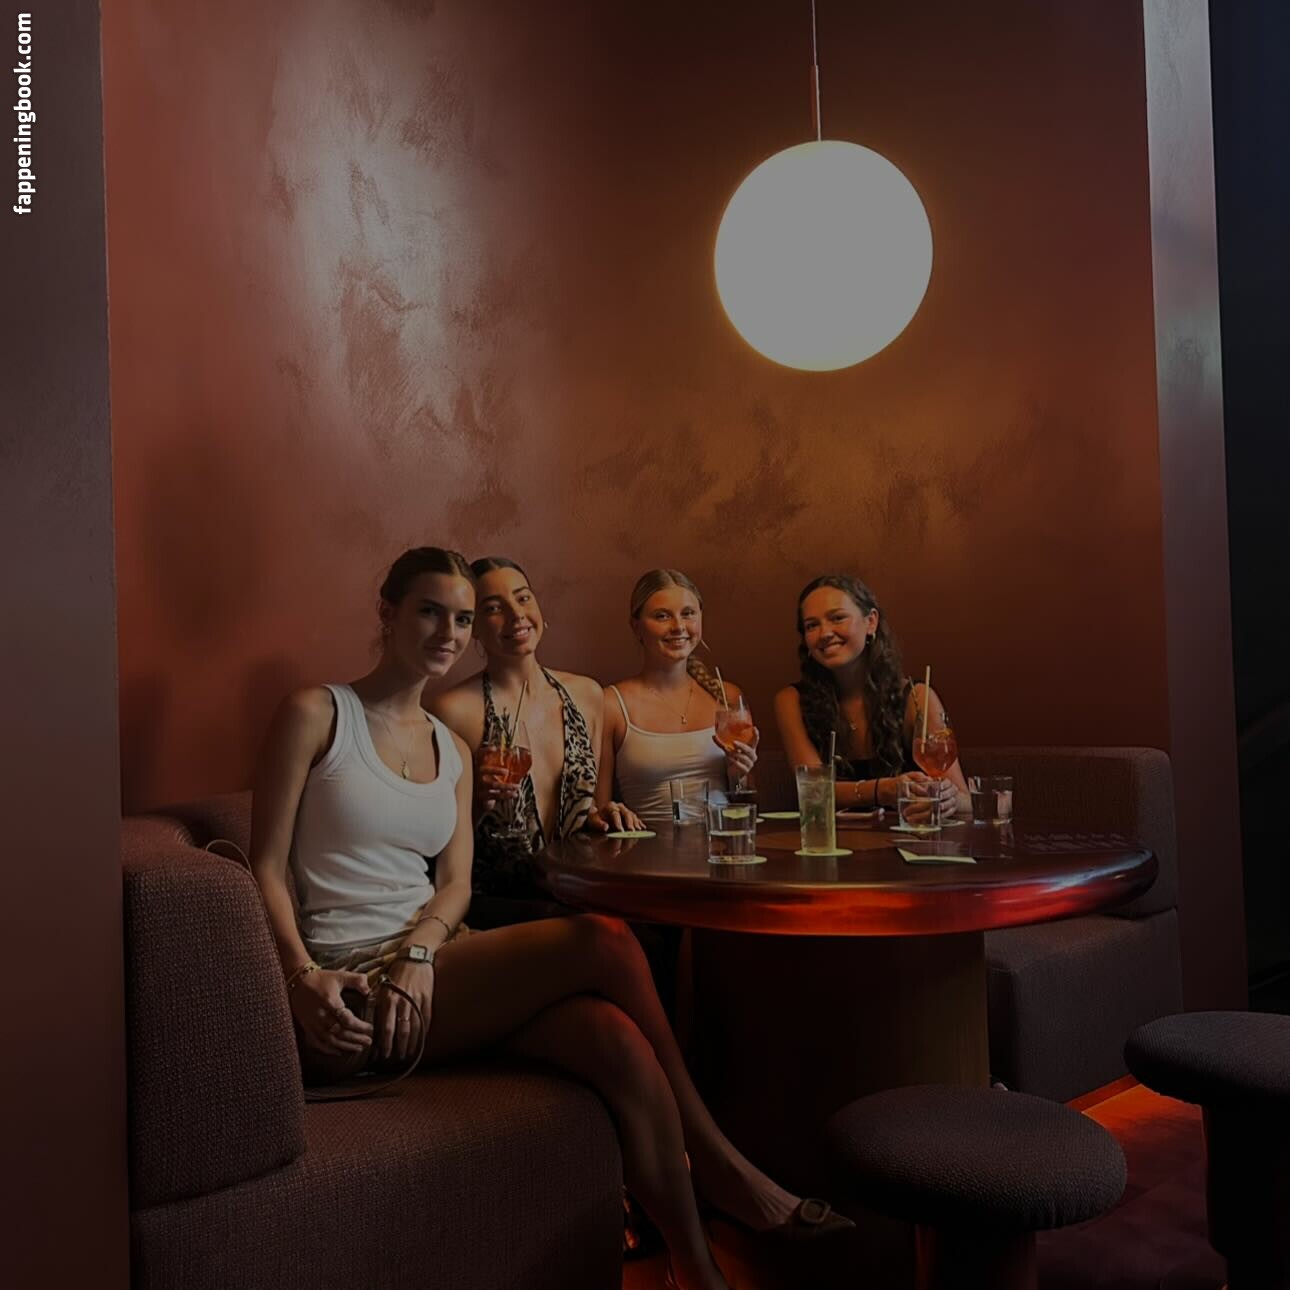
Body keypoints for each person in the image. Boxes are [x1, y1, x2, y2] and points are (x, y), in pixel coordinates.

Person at [248, 548, 846, 1290]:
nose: (448, 632)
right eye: (431, 611)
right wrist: (300, 974)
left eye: (461, 618)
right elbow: (263, 866)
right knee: (604, 938)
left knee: (614, 1039)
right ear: (388, 612)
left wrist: (423, 952)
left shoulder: (448, 745)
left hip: (431, 964)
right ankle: (720, 1163)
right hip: (354, 986)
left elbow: (454, 886)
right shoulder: (316, 713)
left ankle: (696, 1271)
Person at [429, 556, 643, 917]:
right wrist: (478, 801)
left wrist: (602, 813)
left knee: (660, 924)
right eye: (493, 608)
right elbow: (435, 839)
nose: (516, 615)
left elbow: (584, 812)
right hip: (497, 901)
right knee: (612, 933)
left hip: (575, 892)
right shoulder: (454, 711)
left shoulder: (587, 695)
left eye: (523, 598)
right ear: (473, 627)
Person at [773, 573, 968, 816]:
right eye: (812, 625)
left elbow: (965, 800)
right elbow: (813, 792)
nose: (824, 633)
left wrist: (949, 800)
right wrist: (883, 790)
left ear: (871, 622)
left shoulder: (916, 697)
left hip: (908, 836)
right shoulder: (791, 701)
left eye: (837, 618)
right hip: (830, 838)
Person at [599, 569, 758, 827]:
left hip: (722, 845)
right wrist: (609, 812)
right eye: (662, 616)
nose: (678, 627)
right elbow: (599, 812)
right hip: (645, 848)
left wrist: (739, 775)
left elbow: (750, 806)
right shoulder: (612, 704)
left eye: (688, 613)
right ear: (636, 627)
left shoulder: (728, 697)